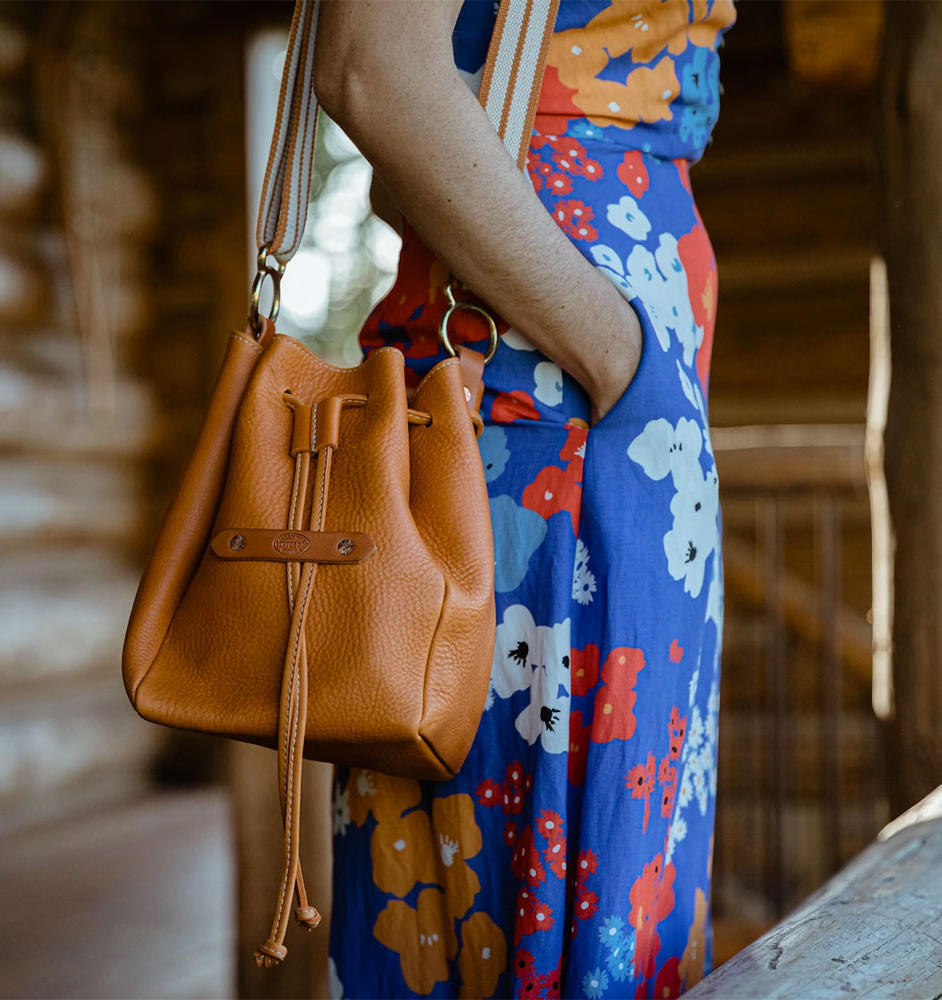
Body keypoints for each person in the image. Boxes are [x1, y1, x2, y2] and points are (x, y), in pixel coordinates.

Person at [314, 1, 734, 996]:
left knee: (579, 890)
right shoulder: (596, 367)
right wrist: (616, 354)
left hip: (587, 398)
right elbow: (372, 67)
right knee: (537, 906)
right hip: (554, 398)